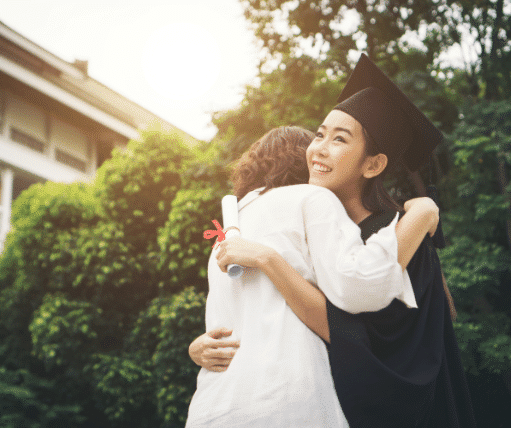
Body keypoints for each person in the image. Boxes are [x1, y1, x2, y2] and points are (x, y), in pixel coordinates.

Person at [194, 54, 476, 427]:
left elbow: (363, 342)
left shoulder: (397, 235)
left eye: (339, 139)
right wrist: (203, 347)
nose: (319, 148)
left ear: (372, 164)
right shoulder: (312, 224)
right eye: (320, 134)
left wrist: (268, 259)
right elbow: (274, 316)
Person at [185, 125, 439, 427]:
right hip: (286, 398)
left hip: (214, 407)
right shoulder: (311, 198)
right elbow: (355, 288)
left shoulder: (224, 238)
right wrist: (420, 213)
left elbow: (223, 331)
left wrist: (194, 349)